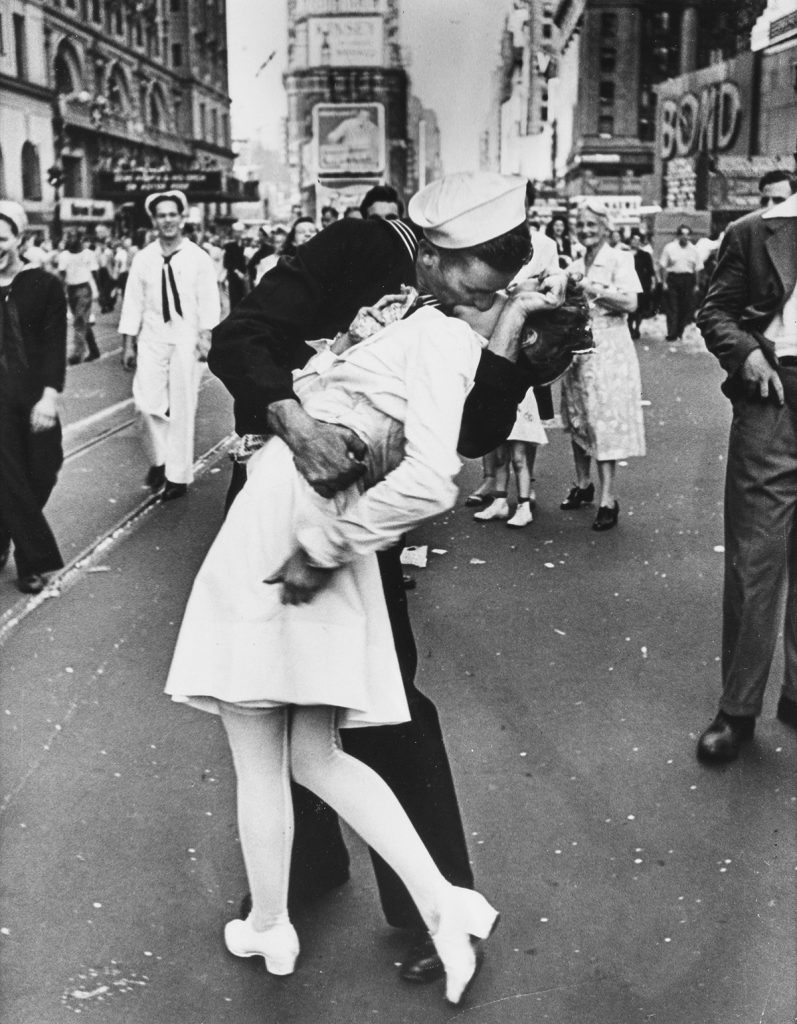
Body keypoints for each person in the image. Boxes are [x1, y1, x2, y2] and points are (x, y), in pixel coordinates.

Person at [208, 171, 574, 985]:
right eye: (471, 268)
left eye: (499, 275)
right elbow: (241, 338)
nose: (475, 289)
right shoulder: (362, 247)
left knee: (383, 699)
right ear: (437, 248)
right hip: (285, 476)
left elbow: (473, 433)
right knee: (271, 692)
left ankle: (428, 905)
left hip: (363, 515)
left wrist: (508, 345)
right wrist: (296, 425)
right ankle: (299, 872)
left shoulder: (505, 297)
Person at [694, 186, 797, 763]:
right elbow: (714, 311)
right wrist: (748, 354)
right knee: (756, 559)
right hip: (774, 398)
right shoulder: (756, 232)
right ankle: (738, 710)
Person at [118, 190, 220, 501]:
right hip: (152, 338)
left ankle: (177, 476)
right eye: (161, 215)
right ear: (154, 220)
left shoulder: (197, 257)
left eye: (172, 215)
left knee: (183, 407)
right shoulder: (144, 259)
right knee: (145, 405)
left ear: (181, 218)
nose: (167, 221)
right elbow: (133, 303)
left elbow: (208, 300)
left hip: (186, 340)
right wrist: (128, 344)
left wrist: (206, 337)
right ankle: (160, 460)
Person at [559, 199, 646, 530]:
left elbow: (631, 301)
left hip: (610, 349)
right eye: (580, 225)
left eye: (591, 225)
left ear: (606, 228)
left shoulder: (620, 259)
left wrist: (589, 288)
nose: (585, 231)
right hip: (578, 349)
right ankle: (583, 484)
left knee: (604, 420)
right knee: (579, 417)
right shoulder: (576, 261)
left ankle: (608, 499)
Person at [0, 201, 67, 594]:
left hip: (31, 393)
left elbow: (53, 343)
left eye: (2, 236)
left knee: (44, 468)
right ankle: (32, 562)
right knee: (9, 474)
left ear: (19, 239)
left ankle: (4, 530)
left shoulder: (43, 285)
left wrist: (48, 396)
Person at [57, 232, 101, 364]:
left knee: (80, 321)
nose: (72, 241)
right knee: (81, 321)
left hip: (84, 289)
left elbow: (95, 272)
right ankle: (94, 350)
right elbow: (62, 274)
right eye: (69, 238)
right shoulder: (64, 255)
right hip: (71, 289)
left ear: (80, 240)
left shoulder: (88, 254)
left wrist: (98, 289)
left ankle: (77, 354)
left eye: (74, 238)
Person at [659, 224, 702, 341]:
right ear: (678, 236)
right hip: (673, 279)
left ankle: (680, 331)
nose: (685, 237)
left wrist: (697, 285)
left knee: (685, 307)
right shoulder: (669, 248)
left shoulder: (694, 250)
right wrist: (664, 282)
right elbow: (663, 265)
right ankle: (672, 333)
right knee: (673, 306)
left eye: (687, 235)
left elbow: (697, 268)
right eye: (682, 234)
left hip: (688, 280)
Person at [626, 230, 656, 340]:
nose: (636, 242)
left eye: (638, 240)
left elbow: (651, 270)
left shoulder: (645, 255)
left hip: (642, 284)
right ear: (630, 241)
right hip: (627, 284)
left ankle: (637, 327)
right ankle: (629, 328)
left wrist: (653, 282)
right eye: (634, 240)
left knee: (640, 308)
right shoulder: (624, 254)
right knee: (629, 308)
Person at [223, 221, 248, 309]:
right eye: (236, 231)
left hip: (245, 279)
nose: (238, 234)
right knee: (234, 302)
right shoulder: (229, 246)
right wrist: (237, 272)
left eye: (240, 231)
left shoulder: (245, 245)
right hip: (234, 278)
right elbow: (227, 263)